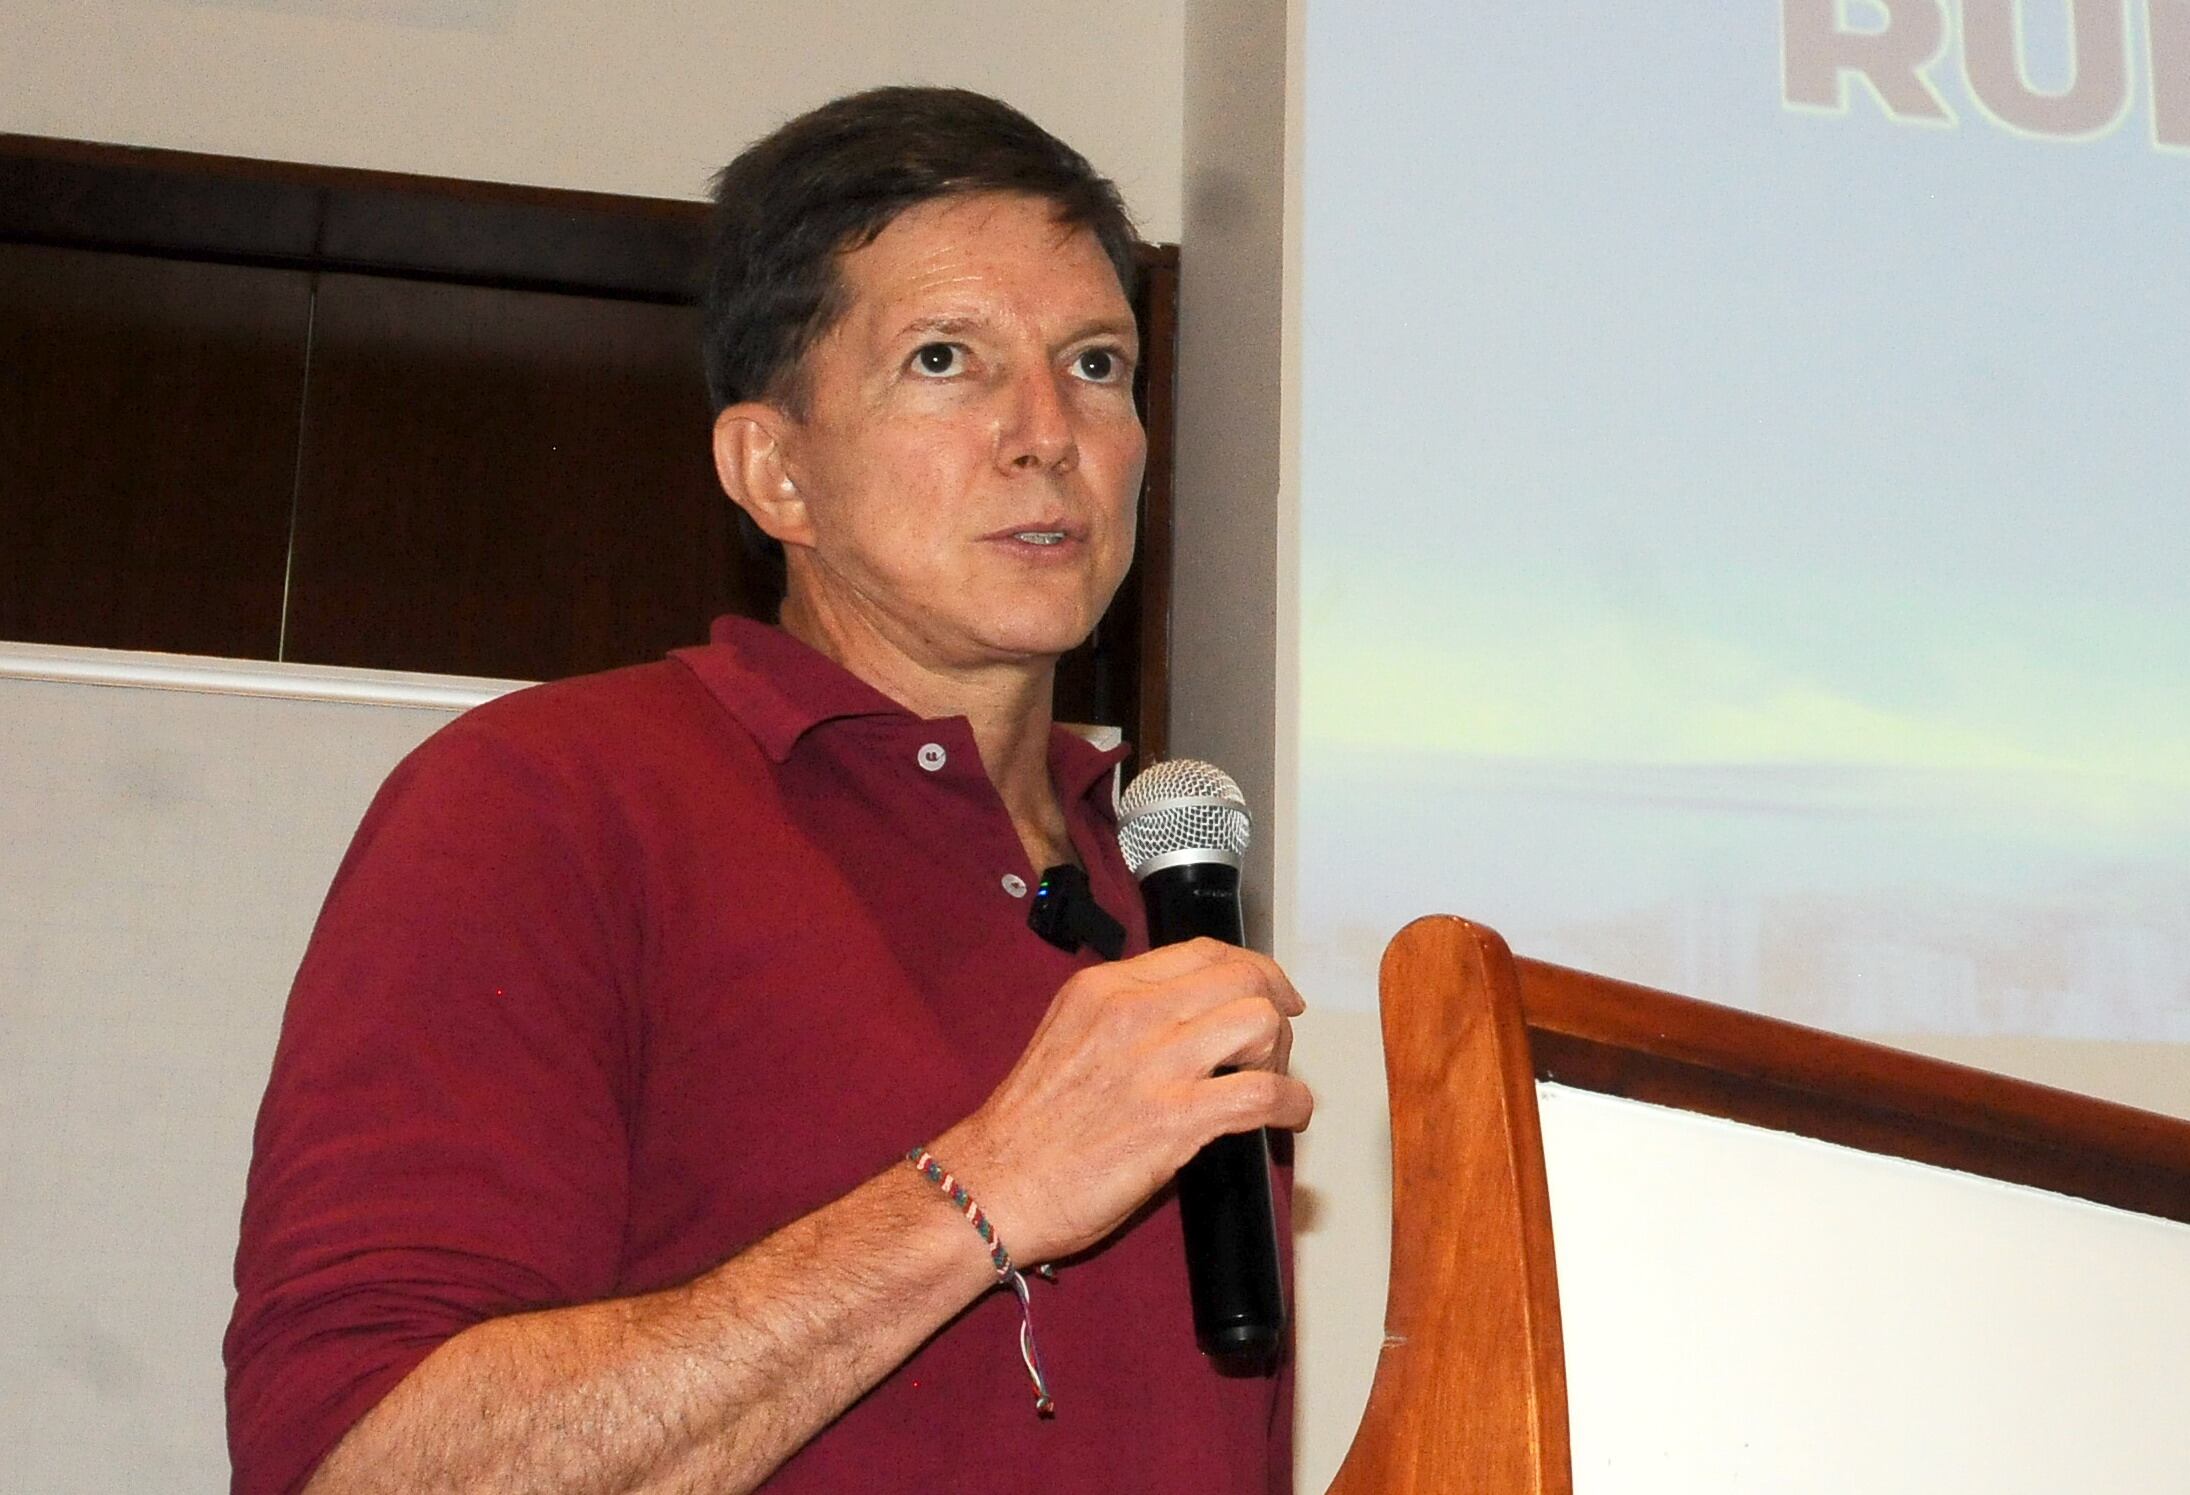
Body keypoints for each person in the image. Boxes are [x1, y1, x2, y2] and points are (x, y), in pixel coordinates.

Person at [224, 86, 1313, 1494]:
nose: (1047, 433)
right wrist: (981, 1196)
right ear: (774, 471)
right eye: (944, 359)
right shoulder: (549, 799)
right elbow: (365, 1472)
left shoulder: (1162, 876)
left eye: (1096, 365)